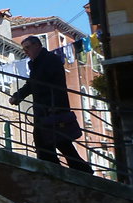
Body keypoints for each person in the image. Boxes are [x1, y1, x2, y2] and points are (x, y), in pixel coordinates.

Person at [8, 35, 93, 173]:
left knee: (54, 143)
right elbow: (32, 84)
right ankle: (68, 171)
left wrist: (55, 107)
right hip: (44, 111)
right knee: (55, 143)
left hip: (52, 110)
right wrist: (18, 96)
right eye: (24, 49)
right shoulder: (37, 63)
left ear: (37, 45)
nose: (26, 52)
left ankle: (60, 172)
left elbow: (53, 86)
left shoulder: (49, 61)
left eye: (27, 48)